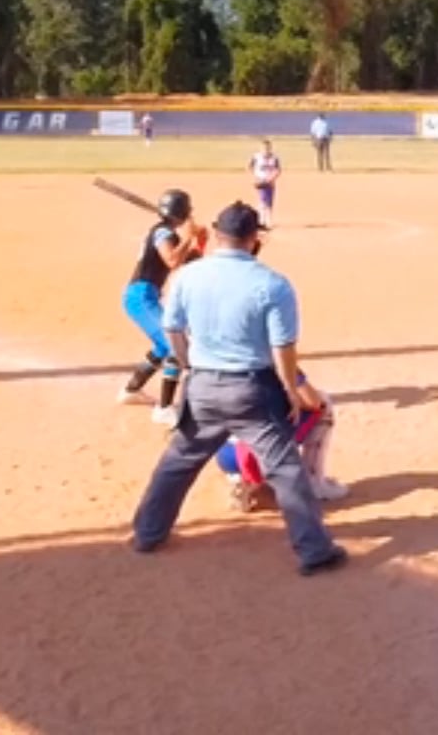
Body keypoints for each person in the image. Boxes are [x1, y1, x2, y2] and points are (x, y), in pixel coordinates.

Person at [131, 201, 348, 576]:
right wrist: (290, 389)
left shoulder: (188, 276)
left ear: (217, 234)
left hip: (203, 385)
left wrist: (187, 364)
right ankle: (314, 550)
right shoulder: (272, 283)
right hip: (252, 389)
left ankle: (148, 533)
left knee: (177, 463)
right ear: (253, 239)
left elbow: (172, 328)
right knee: (285, 470)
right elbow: (283, 347)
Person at [117, 189, 206, 425]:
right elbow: (172, 260)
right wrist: (188, 236)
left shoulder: (169, 234)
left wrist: (199, 241)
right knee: (175, 346)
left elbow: (189, 262)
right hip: (140, 297)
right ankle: (164, 409)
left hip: (145, 297)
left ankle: (131, 390)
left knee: (162, 347)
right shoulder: (162, 232)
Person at [214, 367, 347, 511]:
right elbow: (313, 402)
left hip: (227, 454)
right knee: (323, 403)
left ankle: (240, 479)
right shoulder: (274, 360)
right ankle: (313, 482)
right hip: (263, 451)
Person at [249, 139, 282, 228]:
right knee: (262, 200)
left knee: (269, 201)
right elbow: (250, 167)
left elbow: (278, 169)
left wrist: (273, 178)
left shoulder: (274, 158)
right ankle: (262, 220)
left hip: (270, 182)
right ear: (261, 148)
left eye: (268, 148)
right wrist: (256, 177)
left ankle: (268, 220)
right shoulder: (256, 157)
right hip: (261, 181)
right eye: (264, 148)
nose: (266, 150)